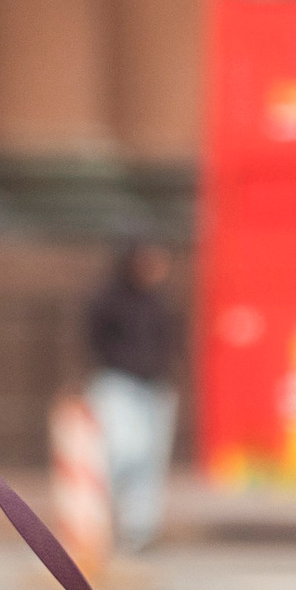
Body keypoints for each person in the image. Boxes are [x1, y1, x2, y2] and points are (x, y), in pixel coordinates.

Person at [85, 233, 183, 556]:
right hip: (119, 384)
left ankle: (140, 528)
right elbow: (96, 340)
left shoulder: (157, 301)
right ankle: (103, 518)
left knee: (150, 460)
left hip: (154, 387)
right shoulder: (110, 300)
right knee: (125, 451)